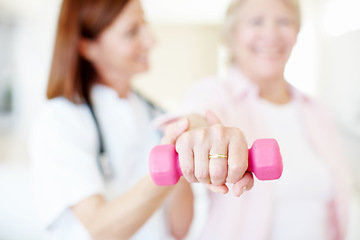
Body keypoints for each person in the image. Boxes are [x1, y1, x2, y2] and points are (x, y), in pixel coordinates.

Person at [29, 0, 253, 239]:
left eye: (144, 25)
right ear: (88, 47)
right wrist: (171, 163)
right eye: (132, 32)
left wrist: (187, 149)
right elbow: (101, 229)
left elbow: (179, 228)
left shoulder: (156, 116)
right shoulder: (59, 120)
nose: (151, 40)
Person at [177, 0, 352, 239]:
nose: (271, 34)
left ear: (297, 33)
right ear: (232, 35)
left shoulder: (317, 109)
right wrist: (200, 135)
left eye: (284, 21)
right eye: (256, 21)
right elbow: (193, 121)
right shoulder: (215, 93)